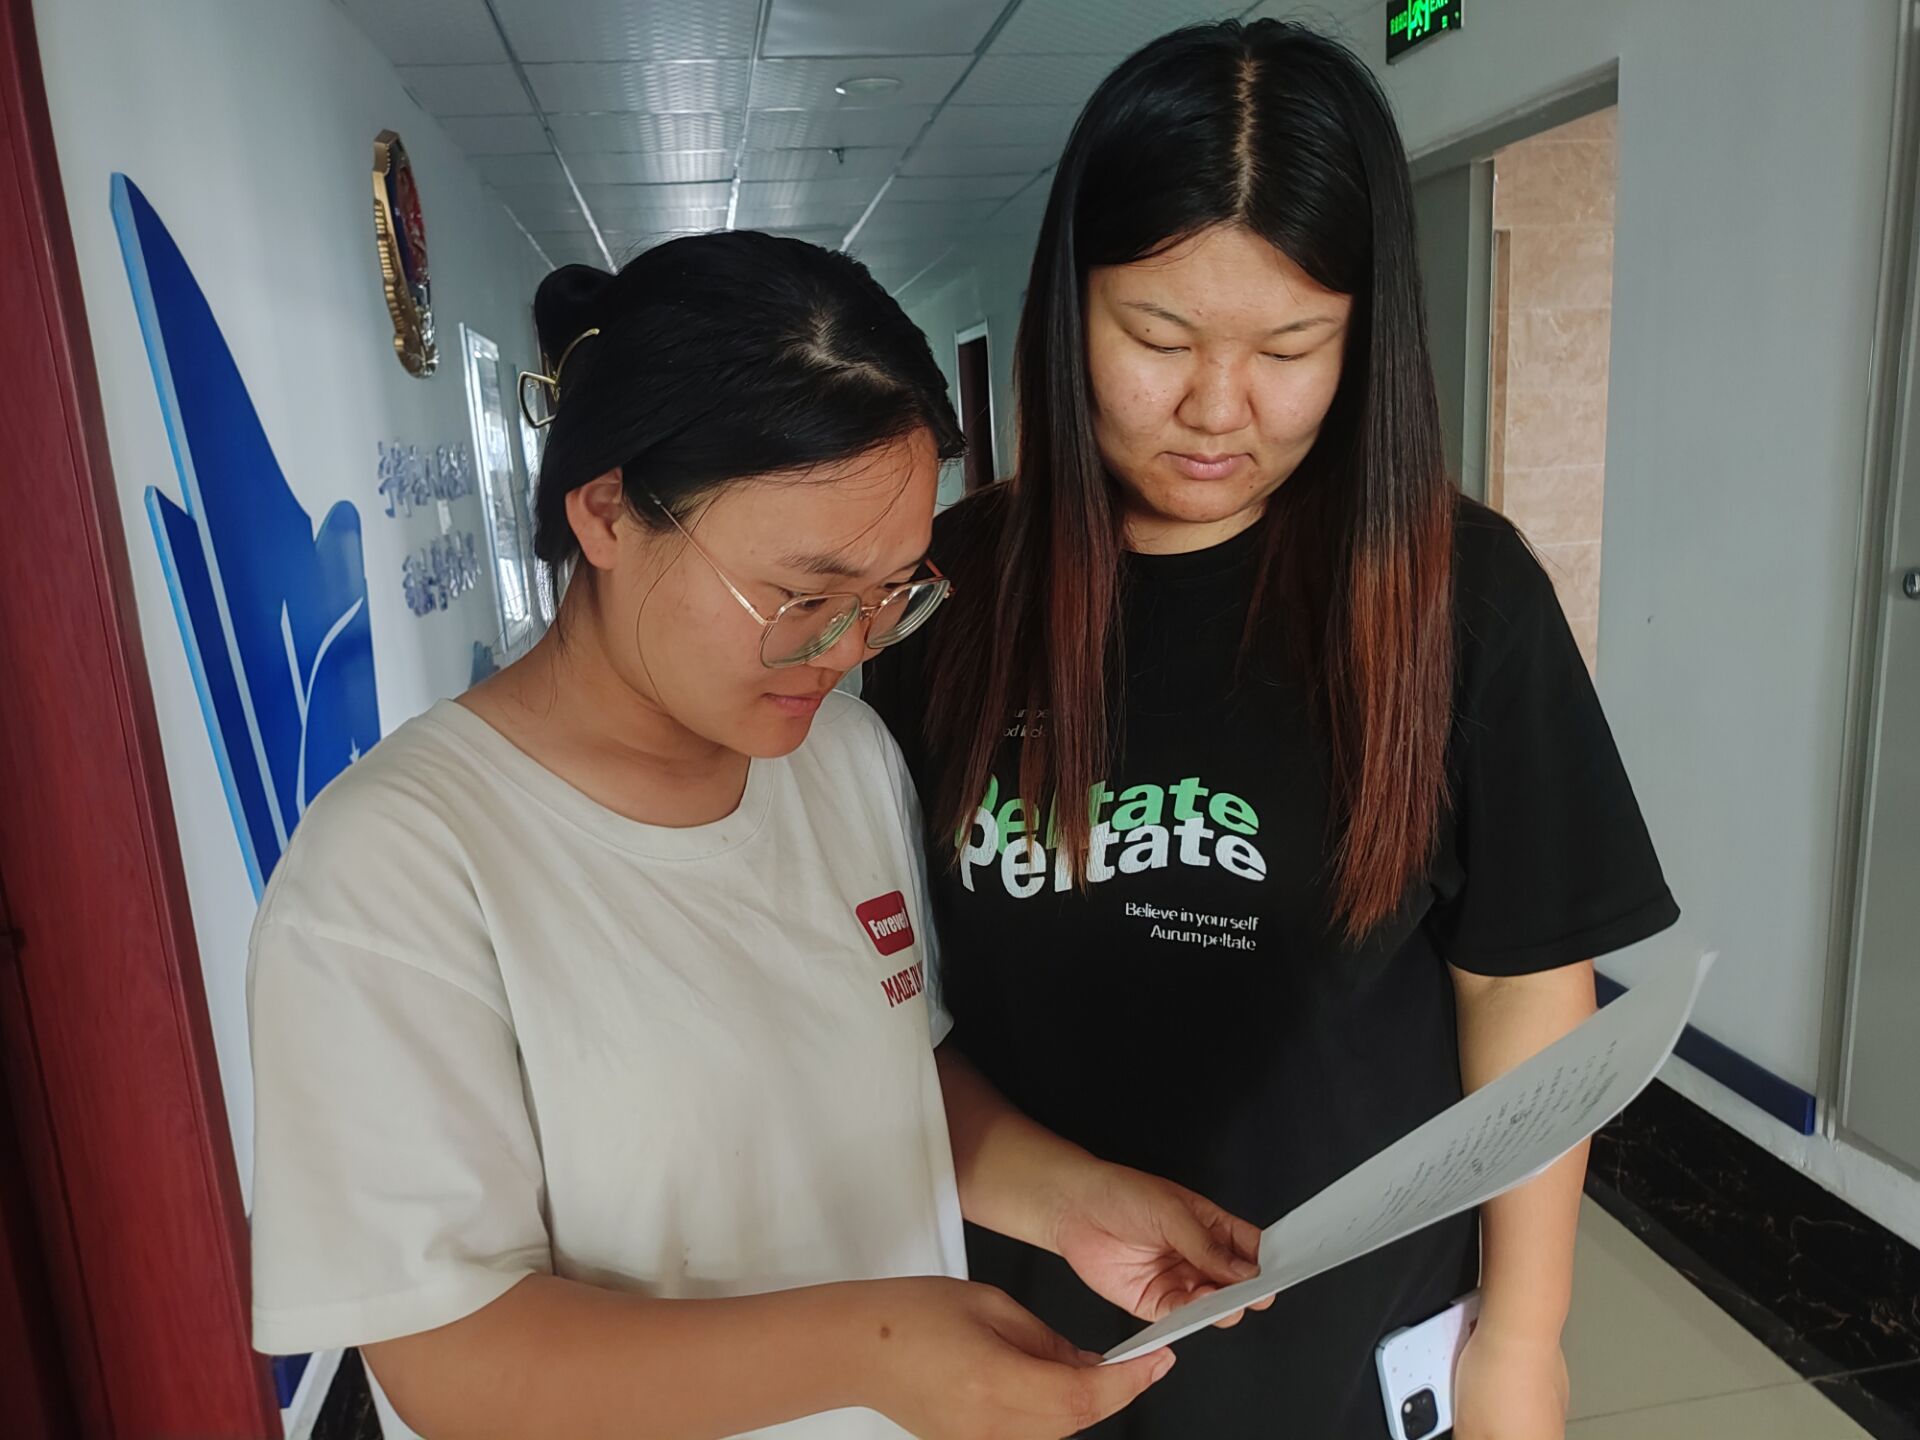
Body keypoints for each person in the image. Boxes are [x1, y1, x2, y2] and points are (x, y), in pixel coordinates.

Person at [246, 230, 1268, 1440]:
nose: (849, 648)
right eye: (804, 597)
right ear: (608, 511)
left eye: (891, 594)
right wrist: (872, 1354)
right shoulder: (399, 869)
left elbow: (891, 1071)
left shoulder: (843, 757)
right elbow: (446, 1357)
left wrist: (1069, 1201)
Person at [863, 21, 1679, 1440]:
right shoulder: (944, 601)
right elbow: (882, 1009)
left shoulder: (1457, 596)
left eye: (1292, 347)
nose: (1216, 409)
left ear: (1364, 338)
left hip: (1354, 1351)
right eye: (1156, 339)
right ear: (1068, 312)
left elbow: (1523, 993)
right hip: (1020, 1332)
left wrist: (1524, 1339)